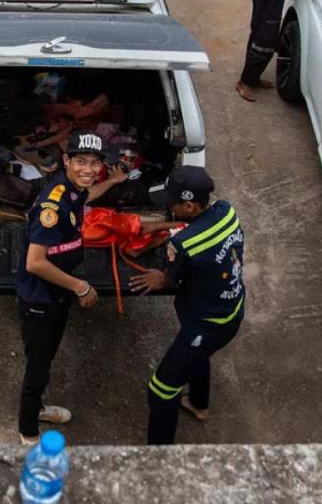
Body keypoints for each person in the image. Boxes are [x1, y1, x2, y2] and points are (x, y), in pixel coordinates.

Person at [14, 131, 127, 445]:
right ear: (66, 161)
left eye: (94, 163)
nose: (88, 169)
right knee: (37, 366)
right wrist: (80, 287)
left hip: (58, 292)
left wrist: (114, 182)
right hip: (40, 298)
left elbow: (88, 196)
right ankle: (28, 431)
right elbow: (35, 263)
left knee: (47, 357)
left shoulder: (76, 190)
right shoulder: (53, 205)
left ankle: (36, 408)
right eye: (80, 162)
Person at [129, 166, 245, 445]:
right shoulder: (227, 211)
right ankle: (198, 404)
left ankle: (160, 456)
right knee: (198, 355)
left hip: (207, 323)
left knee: (160, 390)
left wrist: (160, 277)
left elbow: (170, 279)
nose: (168, 206)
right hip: (233, 306)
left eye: (172, 202)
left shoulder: (183, 244)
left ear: (190, 205)